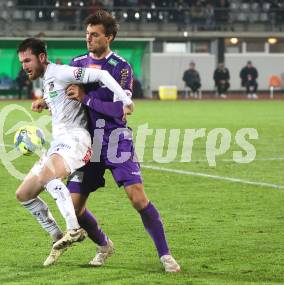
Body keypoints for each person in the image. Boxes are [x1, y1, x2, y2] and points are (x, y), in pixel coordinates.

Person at [49, 10, 181, 272]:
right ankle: (104, 244)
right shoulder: (77, 63)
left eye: (95, 35)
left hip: (115, 139)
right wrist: (46, 101)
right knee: (74, 209)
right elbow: (65, 95)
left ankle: (165, 255)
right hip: (87, 143)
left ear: (108, 37)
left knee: (137, 199)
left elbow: (121, 109)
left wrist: (86, 98)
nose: (89, 39)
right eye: (87, 34)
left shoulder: (121, 68)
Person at [15, 38, 133, 264]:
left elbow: (101, 76)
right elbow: (63, 101)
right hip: (59, 143)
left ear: (41, 57)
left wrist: (125, 99)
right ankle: (57, 235)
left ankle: (74, 230)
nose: (24, 66)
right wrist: (46, 103)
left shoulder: (60, 72)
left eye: (27, 60)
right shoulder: (48, 80)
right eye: (22, 62)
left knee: (48, 176)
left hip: (76, 139)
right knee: (24, 194)